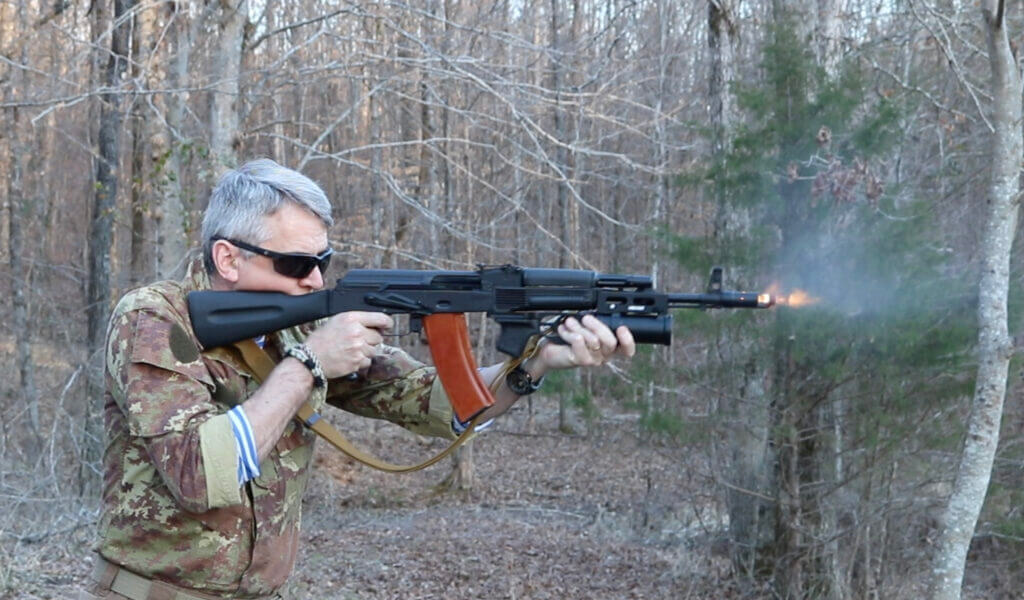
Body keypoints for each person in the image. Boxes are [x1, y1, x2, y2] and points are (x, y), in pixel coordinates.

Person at [80, 158, 635, 600]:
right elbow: (199, 474)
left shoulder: (299, 325)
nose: (317, 279)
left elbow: (438, 402)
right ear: (228, 258)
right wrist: (309, 365)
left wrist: (536, 362)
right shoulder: (153, 319)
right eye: (298, 265)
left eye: (323, 259)